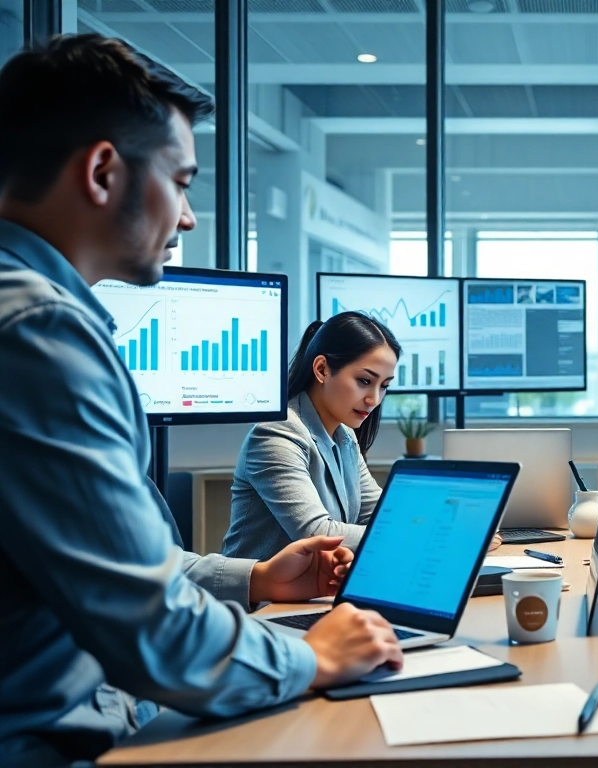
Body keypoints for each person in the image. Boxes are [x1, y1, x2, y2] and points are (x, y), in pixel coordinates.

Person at [0, 35, 403, 766]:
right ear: (101, 172)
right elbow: (148, 626)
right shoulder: (38, 332)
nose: (187, 217)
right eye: (181, 183)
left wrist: (255, 578)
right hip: (65, 738)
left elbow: (126, 567)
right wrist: (312, 658)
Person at [225, 312, 502, 560]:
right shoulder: (276, 434)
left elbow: (382, 512)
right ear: (322, 369)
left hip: (313, 590)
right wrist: (438, 534)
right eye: (365, 381)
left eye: (384, 386)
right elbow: (317, 534)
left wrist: (457, 524)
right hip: (259, 598)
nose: (374, 399)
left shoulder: (344, 435)